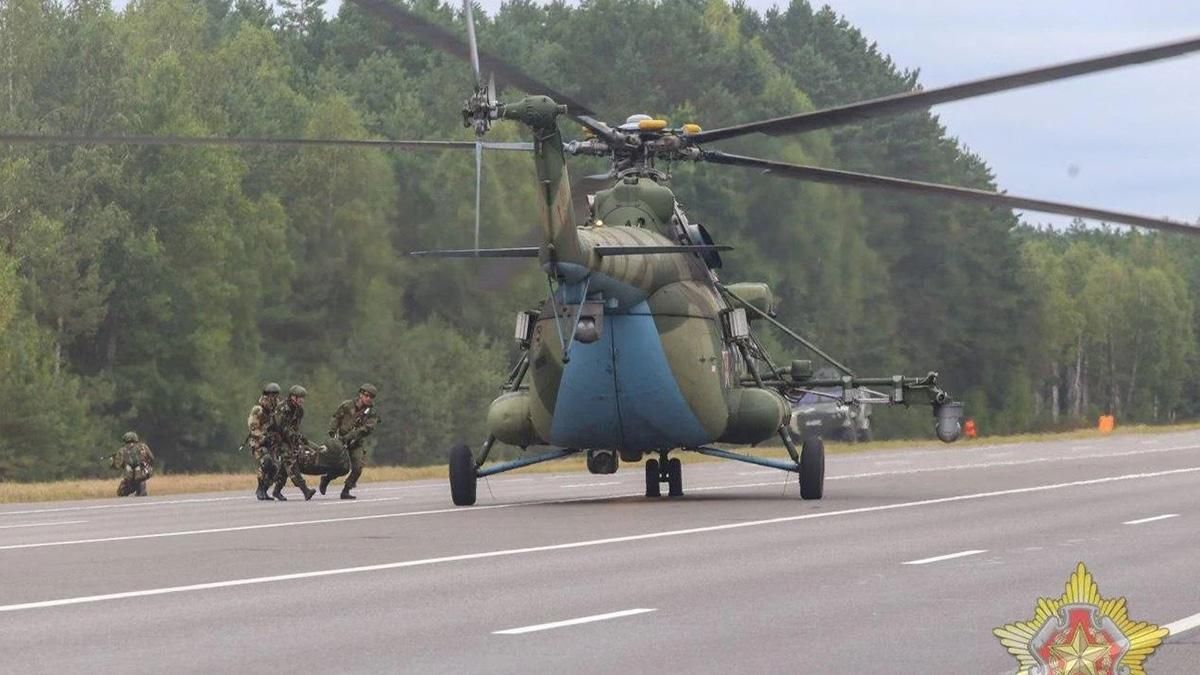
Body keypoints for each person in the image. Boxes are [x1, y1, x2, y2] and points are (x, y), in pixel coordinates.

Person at [323, 383, 382, 499]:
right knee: (339, 467)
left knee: (358, 467)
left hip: (355, 443)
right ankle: (326, 479)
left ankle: (346, 490)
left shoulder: (371, 413)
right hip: (340, 440)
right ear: (360, 394)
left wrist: (350, 437)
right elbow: (336, 418)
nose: (368, 398)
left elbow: (366, 429)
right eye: (366, 395)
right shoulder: (346, 405)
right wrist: (332, 433)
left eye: (371, 397)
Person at [272, 384, 316, 501]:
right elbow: (281, 428)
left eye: (303, 397)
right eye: (300, 397)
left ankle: (276, 491)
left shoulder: (299, 411)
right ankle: (305, 490)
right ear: (293, 397)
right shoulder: (282, 408)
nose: (302, 400)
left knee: (285, 466)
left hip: (290, 440)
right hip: (278, 439)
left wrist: (300, 440)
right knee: (291, 462)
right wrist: (297, 437)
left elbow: (295, 428)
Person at [247, 382, 283, 501]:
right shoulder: (258, 410)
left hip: (272, 443)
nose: (273, 398)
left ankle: (265, 489)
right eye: (271, 396)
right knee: (266, 462)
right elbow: (253, 428)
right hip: (258, 443)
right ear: (266, 395)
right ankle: (260, 488)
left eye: (275, 395)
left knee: (276, 468)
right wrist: (263, 437)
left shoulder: (277, 408)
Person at [110, 431, 155, 497]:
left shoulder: (122, 450)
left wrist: (113, 461)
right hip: (144, 472)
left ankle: (137, 490)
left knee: (121, 492)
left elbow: (117, 465)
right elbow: (151, 458)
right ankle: (141, 489)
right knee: (141, 480)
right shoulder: (143, 447)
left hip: (130, 478)